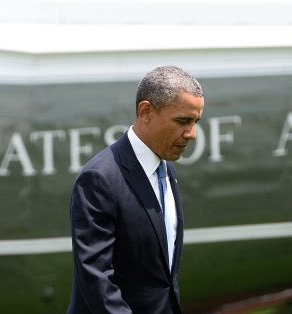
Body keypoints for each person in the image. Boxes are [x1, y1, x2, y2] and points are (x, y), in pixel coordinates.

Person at [67, 65, 204, 313]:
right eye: (183, 121)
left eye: (195, 121)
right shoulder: (99, 178)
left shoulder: (167, 170)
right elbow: (96, 279)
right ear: (146, 111)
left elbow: (163, 280)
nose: (191, 134)